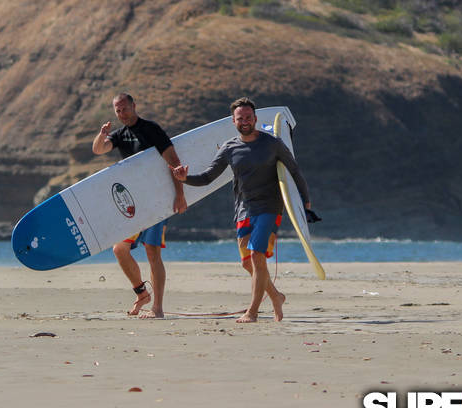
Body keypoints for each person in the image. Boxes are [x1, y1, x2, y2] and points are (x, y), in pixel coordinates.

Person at [172, 97, 311, 323]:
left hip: (269, 206)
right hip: (244, 208)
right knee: (247, 262)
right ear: (233, 121)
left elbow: (294, 170)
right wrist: (185, 179)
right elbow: (208, 177)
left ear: (255, 119)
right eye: (240, 118)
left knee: (257, 255)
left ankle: (253, 312)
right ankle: (276, 296)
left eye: (248, 117)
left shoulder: (272, 143)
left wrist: (305, 201)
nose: (245, 121)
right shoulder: (229, 148)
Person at [92, 93, 187, 319]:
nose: (122, 113)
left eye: (125, 108)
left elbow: (174, 161)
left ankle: (158, 309)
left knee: (152, 252)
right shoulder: (120, 134)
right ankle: (142, 293)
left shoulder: (151, 129)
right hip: (134, 203)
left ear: (134, 106)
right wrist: (102, 134)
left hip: (157, 201)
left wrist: (180, 194)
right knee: (119, 248)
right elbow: (98, 149)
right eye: (117, 110)